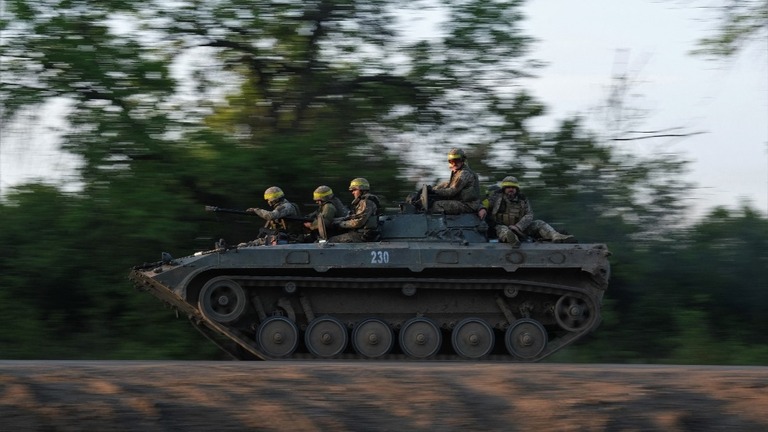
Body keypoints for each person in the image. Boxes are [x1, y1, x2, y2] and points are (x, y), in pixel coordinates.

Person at [478, 176, 574, 246]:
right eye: (508, 188)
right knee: (503, 230)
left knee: (539, 223)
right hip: (500, 227)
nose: (511, 190)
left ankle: (556, 236)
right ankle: (513, 240)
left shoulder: (522, 199)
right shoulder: (496, 197)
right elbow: (484, 204)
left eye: (513, 188)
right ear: (504, 189)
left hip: (520, 228)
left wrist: (518, 227)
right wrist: (482, 208)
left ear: (516, 189)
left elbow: (529, 214)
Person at [428, 148, 481, 214]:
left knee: (436, 205)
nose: (454, 163)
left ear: (462, 160)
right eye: (451, 161)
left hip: (468, 205)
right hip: (462, 202)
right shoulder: (457, 172)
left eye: (457, 160)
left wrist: (434, 191)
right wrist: (432, 189)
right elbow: (447, 185)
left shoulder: (464, 173)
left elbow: (452, 191)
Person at [328, 178, 381, 243]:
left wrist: (340, 224)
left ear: (362, 189)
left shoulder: (366, 202)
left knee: (331, 241)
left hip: (364, 235)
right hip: (361, 232)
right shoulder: (362, 201)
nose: (353, 192)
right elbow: (352, 217)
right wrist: (335, 220)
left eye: (354, 190)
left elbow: (358, 222)